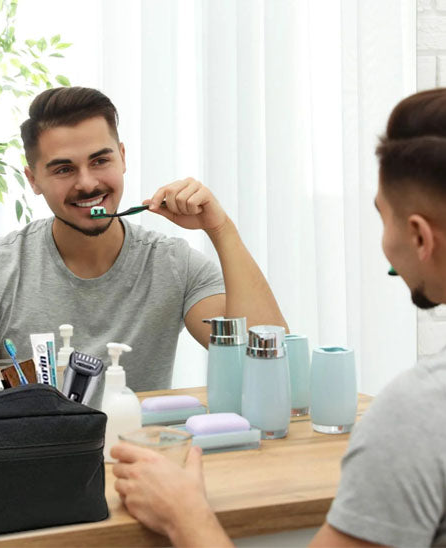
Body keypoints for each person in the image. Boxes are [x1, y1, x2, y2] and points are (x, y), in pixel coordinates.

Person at [112, 88, 446, 547]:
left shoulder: (417, 415)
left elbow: (259, 336)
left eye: (381, 217)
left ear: (420, 237)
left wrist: (184, 515)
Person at [0, 86, 287, 416]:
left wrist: (220, 229)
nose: (87, 183)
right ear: (34, 181)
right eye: (63, 169)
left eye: (100, 160)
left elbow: (268, 362)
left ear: (122, 157)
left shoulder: (175, 265)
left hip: (139, 472)